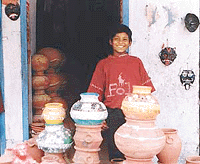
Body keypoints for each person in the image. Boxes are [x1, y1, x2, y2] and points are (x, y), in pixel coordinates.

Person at [87, 23, 155, 162]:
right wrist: (100, 117)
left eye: (124, 39)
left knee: (136, 148)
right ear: (110, 42)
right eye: (117, 39)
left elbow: (147, 91)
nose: (120, 42)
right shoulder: (104, 64)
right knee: (116, 148)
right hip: (114, 113)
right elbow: (95, 92)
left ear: (130, 43)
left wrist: (148, 113)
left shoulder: (136, 62)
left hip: (136, 113)